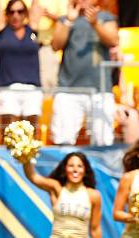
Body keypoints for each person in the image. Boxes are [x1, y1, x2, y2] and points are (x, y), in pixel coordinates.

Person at [50, 0, 118, 146]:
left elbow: (113, 40)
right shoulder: (65, 19)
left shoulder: (106, 17)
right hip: (68, 89)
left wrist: (95, 23)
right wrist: (69, 21)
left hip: (100, 90)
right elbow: (56, 45)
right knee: (63, 140)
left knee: (103, 141)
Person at [0, 0, 43, 138]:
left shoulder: (32, 31)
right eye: (11, 12)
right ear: (6, 15)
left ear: (26, 14)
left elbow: (35, 6)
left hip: (32, 87)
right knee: (9, 134)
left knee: (31, 135)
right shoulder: (2, 32)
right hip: (7, 88)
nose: (16, 15)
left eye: (20, 11)